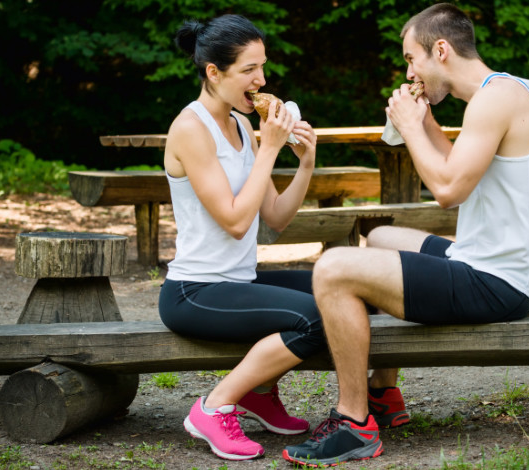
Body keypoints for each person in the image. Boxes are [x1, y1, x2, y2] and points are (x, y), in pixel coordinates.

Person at [283, 3, 529, 466]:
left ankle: (353, 422)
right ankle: (383, 392)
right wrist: (427, 124)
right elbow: (462, 169)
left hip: (496, 283)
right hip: (487, 262)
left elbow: (449, 190)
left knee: (333, 267)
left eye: (411, 59)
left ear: (441, 50)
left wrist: (412, 129)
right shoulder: (502, 93)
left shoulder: (496, 99)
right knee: (384, 239)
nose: (408, 70)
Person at [158, 14, 324, 462]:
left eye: (263, 68)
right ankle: (214, 406)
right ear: (214, 72)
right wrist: (269, 147)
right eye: (249, 70)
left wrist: (304, 162)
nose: (261, 80)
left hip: (240, 280)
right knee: (317, 320)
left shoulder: (239, 126)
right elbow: (234, 221)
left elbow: (275, 216)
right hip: (195, 291)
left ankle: (260, 392)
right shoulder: (191, 129)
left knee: (340, 289)